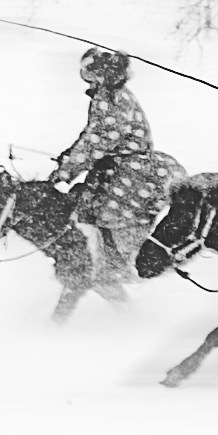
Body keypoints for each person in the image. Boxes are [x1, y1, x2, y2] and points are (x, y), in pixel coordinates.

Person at [42, 47, 171, 282]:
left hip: (130, 171)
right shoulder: (114, 94)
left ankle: (119, 266)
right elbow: (92, 135)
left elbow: (98, 141)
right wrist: (70, 154)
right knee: (94, 211)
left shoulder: (109, 97)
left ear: (95, 74)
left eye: (86, 74)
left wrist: (65, 172)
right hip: (125, 166)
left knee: (107, 215)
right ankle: (114, 264)